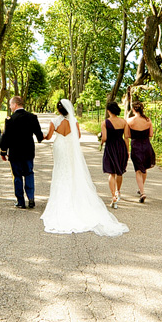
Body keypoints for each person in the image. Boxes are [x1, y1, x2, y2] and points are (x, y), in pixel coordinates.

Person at [41, 99, 129, 236]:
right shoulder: (74, 121)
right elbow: (79, 136)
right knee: (72, 170)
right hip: (70, 147)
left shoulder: (54, 121)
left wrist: (43, 136)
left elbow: (49, 136)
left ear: (59, 110)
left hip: (59, 147)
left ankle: (61, 198)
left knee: (60, 171)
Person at [0, 96, 44, 209]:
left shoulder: (10, 119)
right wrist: (40, 137)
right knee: (29, 173)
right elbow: (39, 134)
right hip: (28, 151)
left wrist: (3, 151)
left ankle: (20, 201)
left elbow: (6, 137)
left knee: (17, 176)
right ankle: (31, 198)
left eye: (10, 104)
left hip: (15, 153)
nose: (10, 107)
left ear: (15, 105)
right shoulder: (32, 117)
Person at [99, 101, 129, 209]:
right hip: (121, 147)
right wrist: (127, 151)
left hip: (110, 147)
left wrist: (101, 142)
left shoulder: (105, 123)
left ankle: (113, 196)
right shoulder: (124, 122)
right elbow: (126, 137)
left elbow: (105, 138)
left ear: (108, 111)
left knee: (111, 173)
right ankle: (118, 191)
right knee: (119, 172)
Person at [126, 101, 156, 203]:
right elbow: (151, 134)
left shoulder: (130, 121)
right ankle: (141, 188)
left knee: (138, 170)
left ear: (133, 109)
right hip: (146, 145)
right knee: (144, 169)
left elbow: (128, 135)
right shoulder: (148, 120)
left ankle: (142, 192)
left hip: (136, 146)